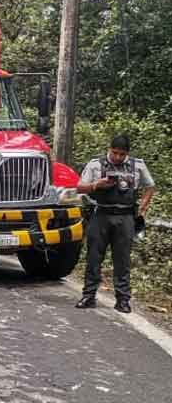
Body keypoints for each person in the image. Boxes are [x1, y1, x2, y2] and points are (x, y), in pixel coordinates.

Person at [74, 134, 157, 313]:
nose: (118, 157)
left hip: (125, 216)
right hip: (101, 214)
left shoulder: (137, 165)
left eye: (122, 154)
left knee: (122, 259)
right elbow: (79, 187)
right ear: (109, 149)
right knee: (94, 257)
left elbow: (150, 186)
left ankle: (123, 299)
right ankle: (89, 295)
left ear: (127, 153)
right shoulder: (96, 164)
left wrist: (142, 208)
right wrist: (96, 185)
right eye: (115, 153)